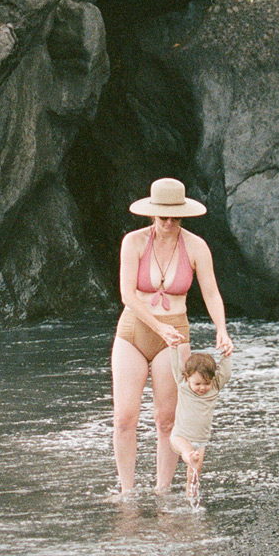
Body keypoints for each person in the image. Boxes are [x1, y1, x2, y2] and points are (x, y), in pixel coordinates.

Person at [111, 176, 233, 495]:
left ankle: (162, 491)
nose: (168, 223)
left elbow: (212, 294)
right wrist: (157, 326)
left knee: (167, 420)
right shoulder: (134, 242)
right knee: (125, 417)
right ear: (152, 213)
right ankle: (127, 493)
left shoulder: (195, 247)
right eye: (163, 216)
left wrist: (221, 329)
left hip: (175, 336)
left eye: (175, 217)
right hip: (133, 332)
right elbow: (127, 295)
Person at [168, 345, 232, 504]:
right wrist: (173, 347)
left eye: (206, 383)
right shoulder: (183, 385)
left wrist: (227, 355)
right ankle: (188, 456)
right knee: (187, 452)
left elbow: (226, 373)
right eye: (197, 384)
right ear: (187, 376)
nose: (202, 388)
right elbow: (175, 364)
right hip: (180, 436)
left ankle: (191, 502)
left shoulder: (215, 388)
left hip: (201, 442)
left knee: (194, 477)